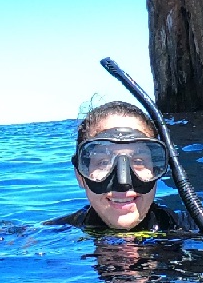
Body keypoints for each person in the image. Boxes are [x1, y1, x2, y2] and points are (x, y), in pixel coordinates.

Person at [49, 100, 182, 235]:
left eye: (139, 161)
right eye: (104, 162)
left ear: (156, 169)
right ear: (80, 175)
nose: (123, 183)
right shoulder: (46, 236)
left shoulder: (196, 229)